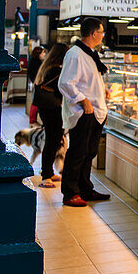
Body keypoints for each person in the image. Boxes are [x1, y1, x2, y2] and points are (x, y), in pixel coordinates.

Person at [58, 18, 111, 207]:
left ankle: (85, 188)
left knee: (89, 152)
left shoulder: (90, 53)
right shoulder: (75, 54)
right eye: (102, 31)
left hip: (96, 112)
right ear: (93, 33)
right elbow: (65, 83)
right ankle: (70, 193)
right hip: (83, 112)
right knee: (77, 153)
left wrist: (101, 91)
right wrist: (84, 100)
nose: (103, 35)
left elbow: (87, 80)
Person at [31, 42, 68, 187]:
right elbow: (61, 90)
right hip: (53, 108)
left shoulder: (46, 67)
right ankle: (46, 175)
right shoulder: (56, 70)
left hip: (45, 107)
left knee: (52, 139)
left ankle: (49, 172)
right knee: (53, 140)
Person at [26, 45, 45, 124]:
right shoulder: (37, 63)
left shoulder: (33, 61)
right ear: (39, 53)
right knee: (35, 102)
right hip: (38, 84)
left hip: (36, 83)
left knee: (35, 102)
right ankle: (32, 120)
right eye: (43, 53)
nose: (44, 54)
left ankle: (32, 120)